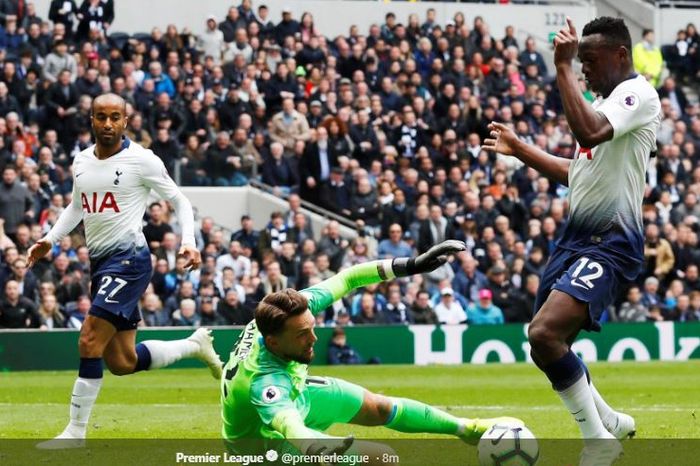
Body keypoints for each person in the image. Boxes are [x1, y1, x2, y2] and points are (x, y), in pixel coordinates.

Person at [483, 17, 660, 465]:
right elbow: (577, 171)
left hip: (612, 241)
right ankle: (609, 421)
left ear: (621, 56)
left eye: (589, 61)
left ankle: (599, 442)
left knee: (545, 333)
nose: (583, 70)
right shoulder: (605, 103)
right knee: (541, 344)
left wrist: (560, 67)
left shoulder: (635, 96)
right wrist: (521, 148)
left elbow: (589, 132)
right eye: (579, 63)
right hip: (575, 239)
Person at [28, 94, 223, 449]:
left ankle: (75, 433)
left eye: (114, 117)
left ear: (125, 120)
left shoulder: (142, 160)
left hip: (130, 260)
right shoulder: (81, 162)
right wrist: (50, 240)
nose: (107, 124)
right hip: (102, 264)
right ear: (91, 119)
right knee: (121, 361)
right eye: (100, 117)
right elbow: (76, 206)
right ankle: (194, 346)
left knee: (89, 339)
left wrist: (189, 241)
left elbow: (179, 200)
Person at [220, 241, 521, 456]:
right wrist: (316, 447)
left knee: (379, 407)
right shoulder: (265, 383)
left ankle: (468, 430)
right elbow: (289, 425)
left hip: (297, 393)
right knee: (380, 457)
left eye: (312, 327)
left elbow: (349, 277)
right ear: (272, 342)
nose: (314, 338)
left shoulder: (285, 313)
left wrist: (412, 265)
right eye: (303, 335)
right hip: (264, 442)